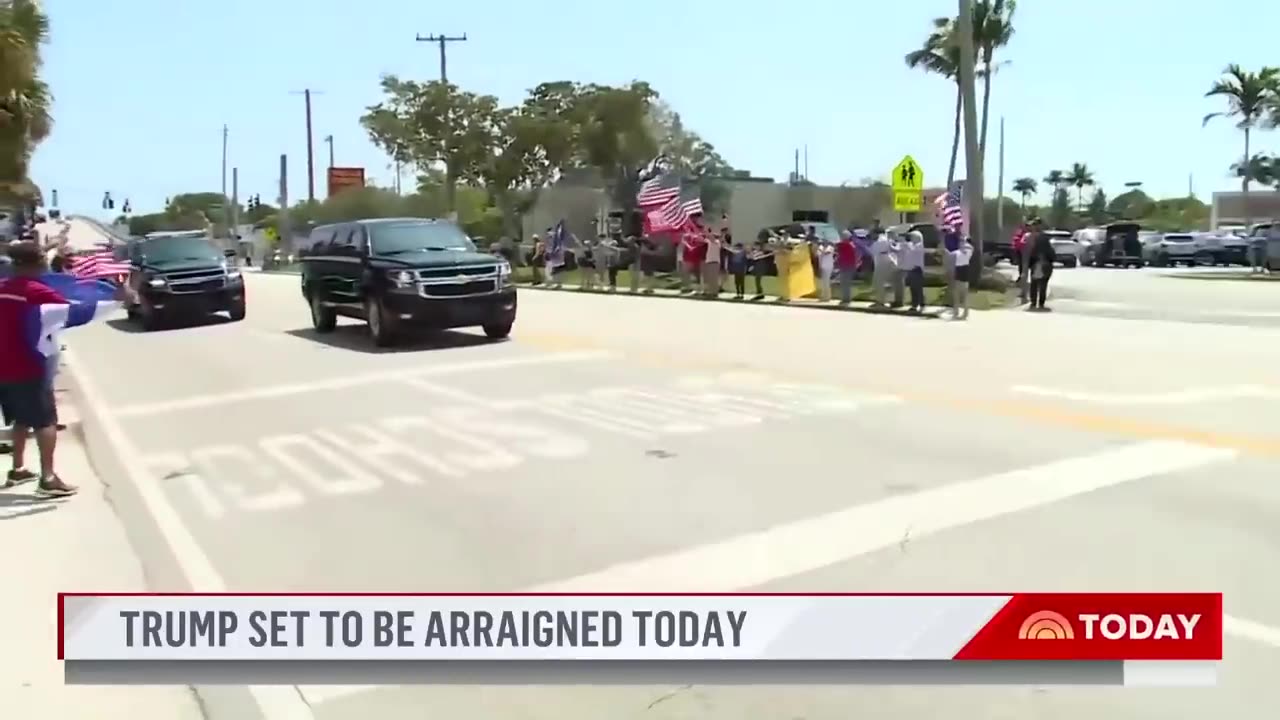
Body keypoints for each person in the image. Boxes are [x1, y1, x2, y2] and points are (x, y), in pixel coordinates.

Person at [0, 242, 77, 495]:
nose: (46, 261)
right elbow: (72, 311)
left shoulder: (3, 288)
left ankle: (18, 469)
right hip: (28, 366)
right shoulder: (35, 291)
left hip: (3, 368)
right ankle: (48, 478)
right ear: (34, 263)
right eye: (43, 257)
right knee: (46, 422)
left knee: (20, 418)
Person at [1027, 226, 1057, 311]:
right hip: (1046, 267)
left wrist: (1030, 265)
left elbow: (1030, 258)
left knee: (1034, 285)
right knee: (1043, 285)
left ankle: (1033, 302)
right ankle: (1041, 303)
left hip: (1036, 266)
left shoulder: (1034, 249)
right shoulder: (1048, 248)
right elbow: (1053, 257)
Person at [946, 235, 974, 320]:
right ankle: (963, 313)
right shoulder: (968, 251)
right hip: (965, 272)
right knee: (962, 295)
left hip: (960, 271)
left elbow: (949, 255)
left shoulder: (958, 253)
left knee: (958, 295)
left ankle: (958, 312)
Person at [869, 228, 898, 308]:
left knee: (879, 283)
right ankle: (889, 300)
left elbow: (873, 251)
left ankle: (880, 301)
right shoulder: (886, 239)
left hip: (882, 262)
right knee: (888, 283)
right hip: (887, 260)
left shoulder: (881, 240)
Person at [900, 230, 927, 313]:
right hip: (911, 269)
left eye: (912, 237)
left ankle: (919, 304)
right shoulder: (912, 245)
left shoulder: (920, 245)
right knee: (913, 288)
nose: (911, 238)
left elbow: (912, 250)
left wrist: (905, 242)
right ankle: (916, 305)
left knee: (917, 288)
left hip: (917, 269)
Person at [835, 230, 859, 305]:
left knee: (845, 283)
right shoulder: (851, 244)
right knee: (845, 283)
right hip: (848, 265)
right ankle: (846, 298)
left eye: (842, 236)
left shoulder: (846, 244)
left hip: (847, 266)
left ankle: (846, 299)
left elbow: (838, 246)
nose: (841, 237)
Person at [748, 230, 772, 301]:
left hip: (761, 266)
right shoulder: (761, 248)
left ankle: (760, 294)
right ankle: (759, 293)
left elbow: (765, 255)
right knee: (757, 280)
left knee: (758, 280)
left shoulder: (764, 247)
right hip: (758, 266)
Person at [701, 228, 722, 298]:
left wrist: (708, 233)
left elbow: (711, 239)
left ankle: (715, 292)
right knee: (710, 278)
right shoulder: (709, 242)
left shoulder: (717, 242)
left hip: (715, 262)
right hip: (709, 261)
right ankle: (710, 291)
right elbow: (702, 239)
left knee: (714, 278)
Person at [815, 232, 836, 301]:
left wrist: (821, 251)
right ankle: (823, 296)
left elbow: (827, 253)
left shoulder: (830, 247)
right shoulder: (820, 247)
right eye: (823, 241)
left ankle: (827, 297)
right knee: (823, 282)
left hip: (828, 266)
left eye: (825, 241)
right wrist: (819, 250)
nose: (824, 243)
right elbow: (817, 254)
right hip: (822, 266)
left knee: (827, 282)